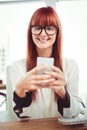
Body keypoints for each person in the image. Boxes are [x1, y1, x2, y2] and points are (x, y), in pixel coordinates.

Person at [10, 6, 83, 119]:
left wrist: (62, 92)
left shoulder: (71, 66)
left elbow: (74, 113)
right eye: (37, 27)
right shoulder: (17, 67)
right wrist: (19, 90)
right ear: (31, 31)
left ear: (57, 32)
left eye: (49, 28)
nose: (43, 34)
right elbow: (23, 116)